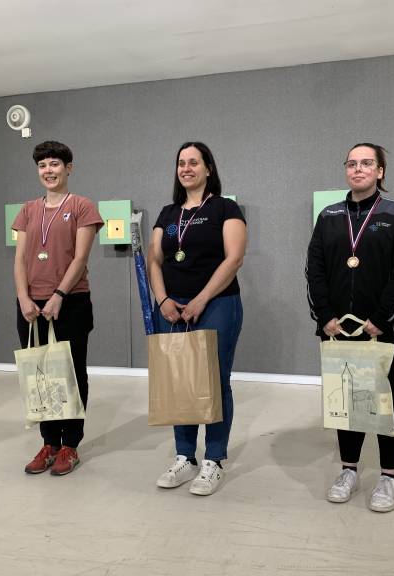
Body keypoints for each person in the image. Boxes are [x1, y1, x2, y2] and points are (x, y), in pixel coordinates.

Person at [306, 143, 394, 511]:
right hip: (337, 328)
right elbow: (314, 270)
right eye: (352, 163)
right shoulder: (328, 216)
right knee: (346, 399)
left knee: (387, 398)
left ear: (380, 171)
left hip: (385, 328)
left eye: (366, 163)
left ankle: (389, 476)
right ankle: (349, 470)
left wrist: (382, 319)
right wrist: (325, 316)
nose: (358, 169)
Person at [147, 141, 246, 496]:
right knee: (179, 380)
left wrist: (202, 299)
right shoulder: (168, 213)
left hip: (217, 303)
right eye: (181, 163)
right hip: (171, 307)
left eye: (193, 162)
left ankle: (213, 459)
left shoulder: (225, 208)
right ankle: (185, 457)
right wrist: (162, 299)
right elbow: (154, 260)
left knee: (215, 381)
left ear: (208, 168)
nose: (186, 168)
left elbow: (234, 258)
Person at [12, 140, 104, 476]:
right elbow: (20, 259)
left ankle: (70, 445)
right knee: (40, 375)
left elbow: (80, 258)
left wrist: (59, 295)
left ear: (68, 168)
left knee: (71, 373)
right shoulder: (28, 210)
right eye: (42, 166)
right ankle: (49, 443)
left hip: (71, 301)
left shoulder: (82, 206)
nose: (48, 171)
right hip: (31, 305)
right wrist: (24, 298)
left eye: (54, 164)